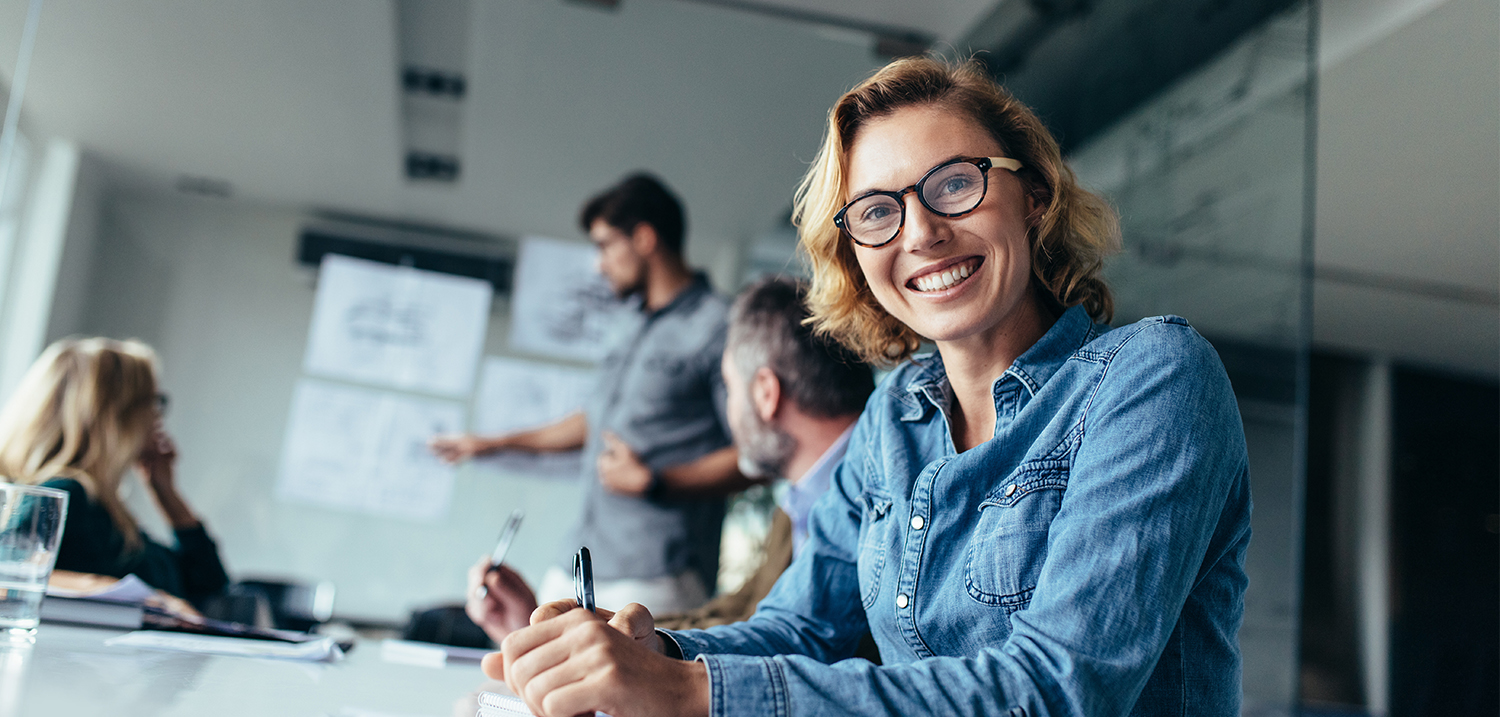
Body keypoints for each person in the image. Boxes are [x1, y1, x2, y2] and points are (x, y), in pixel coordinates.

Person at [483, 57, 1253, 717]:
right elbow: (801, 625)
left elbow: (1053, 691)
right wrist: (645, 649)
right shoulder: (895, 416)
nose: (920, 232)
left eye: (956, 184)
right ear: (856, 255)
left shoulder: (1154, 378)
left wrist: (689, 689)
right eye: (878, 211)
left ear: (1035, 196)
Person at [464, 277, 875, 642]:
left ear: (766, 394)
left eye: (730, 388)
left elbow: (780, 648)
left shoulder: (876, 502)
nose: (727, 418)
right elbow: (740, 618)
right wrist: (556, 635)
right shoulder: (798, 508)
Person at [431, 173, 749, 613]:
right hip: (577, 561)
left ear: (644, 237)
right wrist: (493, 443)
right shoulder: (627, 324)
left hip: (656, 575)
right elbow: (595, 419)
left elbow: (756, 455)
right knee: (527, 674)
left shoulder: (721, 326)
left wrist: (657, 483)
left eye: (604, 245)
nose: (599, 264)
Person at [0, 338, 230, 607]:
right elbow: (9, 573)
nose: (157, 417)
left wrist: (165, 492)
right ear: (114, 414)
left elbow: (209, 583)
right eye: (152, 402)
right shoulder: (66, 493)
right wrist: (143, 598)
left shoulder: (103, 508)